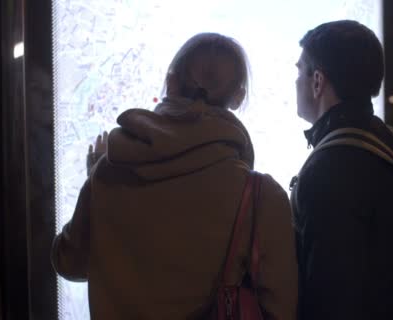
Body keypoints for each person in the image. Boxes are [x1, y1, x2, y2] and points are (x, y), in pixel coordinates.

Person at [51, 33, 297, 320]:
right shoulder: (260, 196)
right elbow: (281, 308)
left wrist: (93, 179)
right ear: (239, 96)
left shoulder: (109, 171)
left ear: (170, 82)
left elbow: (68, 261)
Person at [291, 20, 393, 319]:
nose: (296, 82)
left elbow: (331, 296)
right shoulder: (388, 140)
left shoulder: (331, 167)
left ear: (317, 81)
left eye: (299, 71)